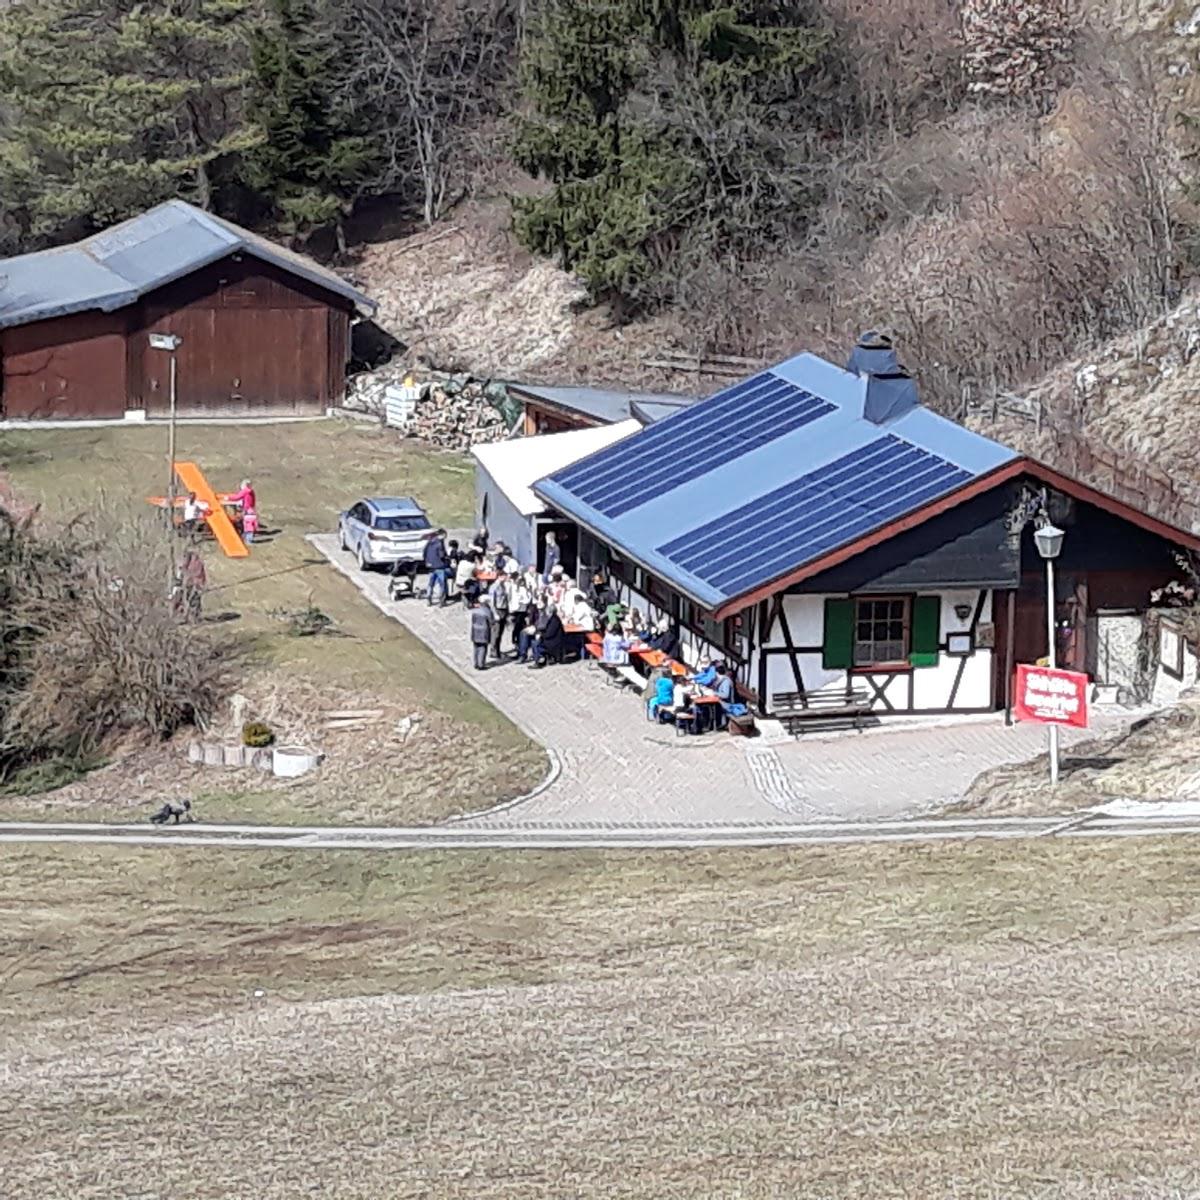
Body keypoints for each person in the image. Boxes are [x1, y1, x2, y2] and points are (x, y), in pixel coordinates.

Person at [176, 549, 207, 623]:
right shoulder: (187, 563)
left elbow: (197, 574)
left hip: (196, 585)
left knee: (194, 601)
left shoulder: (197, 563)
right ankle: (187, 617)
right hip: (189, 585)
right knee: (186, 600)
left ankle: (194, 617)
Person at [423, 527, 451, 606]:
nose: (445, 538)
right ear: (442, 535)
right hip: (439, 566)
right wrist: (447, 559)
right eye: (445, 536)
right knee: (442, 584)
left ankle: (428, 599)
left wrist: (427, 561)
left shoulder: (429, 542)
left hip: (430, 566)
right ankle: (442, 601)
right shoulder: (440, 543)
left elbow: (424, 552)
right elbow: (442, 555)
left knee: (431, 584)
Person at [531, 602, 564, 667]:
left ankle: (538, 661)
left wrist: (541, 635)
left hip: (554, 642)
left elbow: (550, 634)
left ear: (550, 612)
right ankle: (541, 659)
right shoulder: (553, 619)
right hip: (553, 640)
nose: (546, 613)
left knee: (535, 643)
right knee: (535, 642)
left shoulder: (554, 620)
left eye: (547, 611)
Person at [488, 570, 511, 659]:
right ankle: (493, 651)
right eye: (505, 576)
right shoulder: (494, 587)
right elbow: (492, 602)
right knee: (496, 633)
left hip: (503, 610)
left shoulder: (503, 586)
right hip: (498, 610)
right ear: (500, 576)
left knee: (500, 633)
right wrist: (495, 613)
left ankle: (497, 650)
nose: (506, 578)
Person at [470, 597, 494, 670]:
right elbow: (491, 621)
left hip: (475, 630)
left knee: (476, 647)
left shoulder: (475, 610)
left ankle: (476, 663)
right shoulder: (487, 611)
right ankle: (481, 664)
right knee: (483, 647)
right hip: (484, 631)